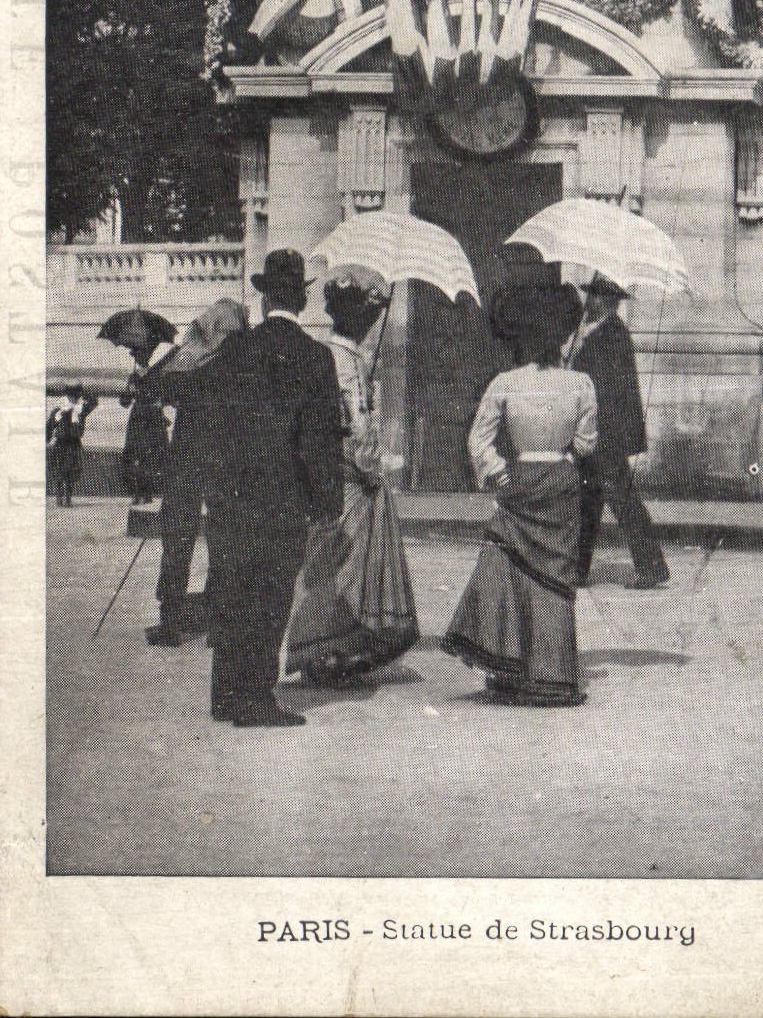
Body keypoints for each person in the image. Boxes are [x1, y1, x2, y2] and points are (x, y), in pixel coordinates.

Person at [199, 250, 345, 728]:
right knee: (269, 594)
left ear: (264, 301)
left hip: (231, 493)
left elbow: (212, 420)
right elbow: (320, 438)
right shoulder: (316, 357)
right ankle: (255, 698)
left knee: (230, 587)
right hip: (283, 495)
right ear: (301, 302)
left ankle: (225, 693)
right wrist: (328, 502)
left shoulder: (234, 351)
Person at [442, 286, 597, 707]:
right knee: (555, 578)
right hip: (561, 482)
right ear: (564, 336)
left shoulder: (505, 382)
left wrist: (498, 474)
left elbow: (479, 440)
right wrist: (564, 453)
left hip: (521, 478)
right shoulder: (581, 383)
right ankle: (553, 673)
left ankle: (513, 665)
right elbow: (585, 444)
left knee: (515, 570)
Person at [284, 279, 417, 688]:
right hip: (349, 475)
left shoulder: (343, 356)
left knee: (338, 561)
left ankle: (336, 648)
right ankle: (329, 649)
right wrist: (373, 468)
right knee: (345, 563)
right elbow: (355, 427)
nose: (373, 325)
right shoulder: (344, 361)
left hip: (337, 470)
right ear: (358, 320)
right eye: (369, 318)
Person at [146, 299, 249, 648]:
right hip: (226, 460)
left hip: (187, 458)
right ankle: (218, 623)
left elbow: (161, 388)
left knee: (177, 536)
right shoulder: (241, 364)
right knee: (224, 539)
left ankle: (171, 619)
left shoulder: (191, 361)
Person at [562, 273, 669, 589]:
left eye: (596, 296)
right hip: (593, 430)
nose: (589, 300)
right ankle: (578, 569)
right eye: (591, 294)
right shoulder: (590, 331)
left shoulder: (613, 335)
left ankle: (651, 567)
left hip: (606, 432)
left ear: (609, 301)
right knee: (588, 499)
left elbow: (608, 391)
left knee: (621, 498)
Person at [119, 346, 169, 504]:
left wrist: (157, 402)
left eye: (145, 356)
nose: (142, 359)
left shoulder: (155, 375)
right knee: (135, 455)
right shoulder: (133, 377)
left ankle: (146, 493)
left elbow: (163, 396)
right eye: (139, 357)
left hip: (152, 418)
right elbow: (124, 402)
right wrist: (129, 391)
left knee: (150, 456)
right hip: (138, 419)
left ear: (148, 357)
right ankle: (136, 492)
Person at [46, 384, 98, 507]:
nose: (73, 399)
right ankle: (59, 498)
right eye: (71, 396)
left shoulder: (81, 409)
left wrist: (84, 392)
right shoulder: (59, 410)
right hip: (61, 443)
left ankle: (68, 499)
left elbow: (94, 402)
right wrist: (47, 437)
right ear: (67, 396)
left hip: (74, 443)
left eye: (76, 396)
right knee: (59, 472)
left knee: (71, 473)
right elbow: (50, 424)